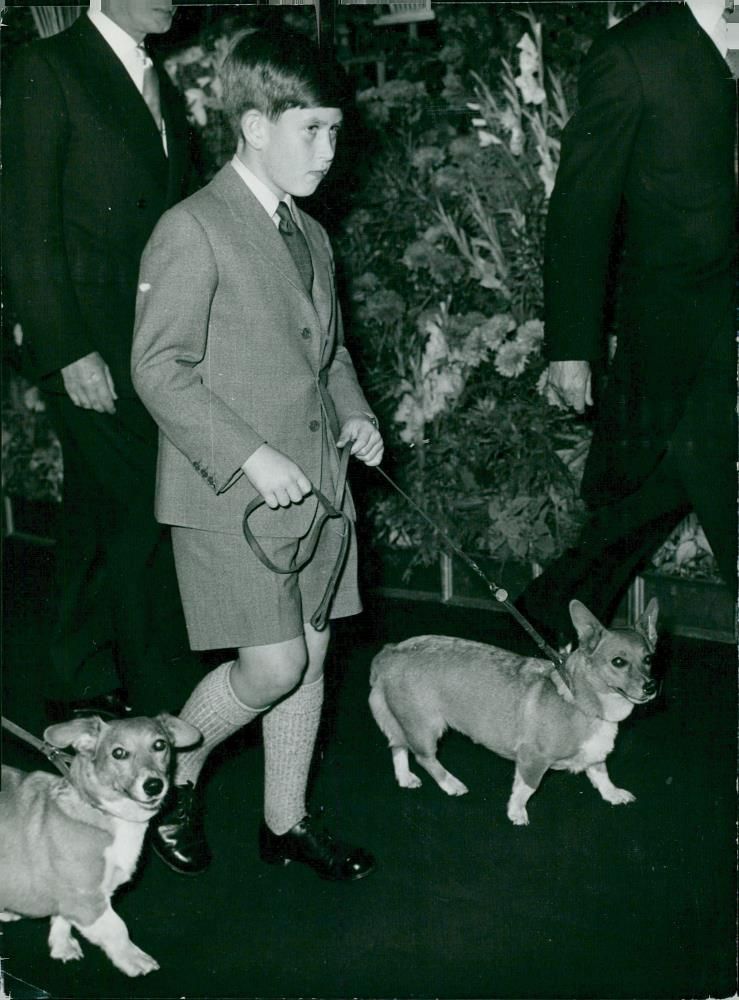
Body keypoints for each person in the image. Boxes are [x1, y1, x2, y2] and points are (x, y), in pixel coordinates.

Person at [131, 28, 384, 880]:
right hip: (227, 497)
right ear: (251, 124)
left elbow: (332, 352)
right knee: (271, 664)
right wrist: (249, 456)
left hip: (318, 488)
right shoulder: (193, 227)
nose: (327, 149)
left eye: (335, 131)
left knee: (308, 655)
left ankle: (284, 822)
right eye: (310, 129)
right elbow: (157, 370)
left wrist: (355, 414)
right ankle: (173, 772)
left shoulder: (310, 234)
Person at [516, 0, 737, 645]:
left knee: (650, 498)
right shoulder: (631, 53)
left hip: (724, 334)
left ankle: (544, 619)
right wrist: (571, 348)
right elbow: (582, 207)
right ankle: (544, 623)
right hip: (674, 339)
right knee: (668, 488)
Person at [3, 0, 199, 718]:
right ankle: (162, 708)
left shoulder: (158, 82)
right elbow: (24, 225)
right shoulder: (48, 68)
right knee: (149, 508)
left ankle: (75, 678)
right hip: (88, 347)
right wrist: (67, 351)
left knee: (96, 513)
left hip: (147, 345)